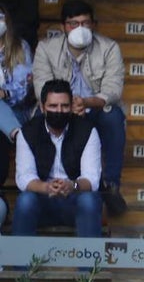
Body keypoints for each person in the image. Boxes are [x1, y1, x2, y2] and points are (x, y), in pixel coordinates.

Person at [32, 0, 128, 217]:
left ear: (93, 25)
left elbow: (113, 90)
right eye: (73, 24)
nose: (80, 28)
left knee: (114, 117)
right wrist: (66, 106)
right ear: (63, 26)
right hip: (59, 108)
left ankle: (110, 186)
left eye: (85, 23)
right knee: (39, 116)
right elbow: (41, 88)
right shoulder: (46, 48)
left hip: (94, 108)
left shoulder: (109, 48)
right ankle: (39, 185)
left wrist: (86, 103)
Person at [12, 79, 103, 237]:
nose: (59, 111)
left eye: (64, 106)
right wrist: (47, 187)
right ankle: (20, 254)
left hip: (74, 199)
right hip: (42, 200)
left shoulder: (87, 131)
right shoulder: (28, 132)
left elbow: (91, 179)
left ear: (71, 107)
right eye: (53, 106)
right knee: (25, 201)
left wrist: (72, 185)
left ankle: (89, 254)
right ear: (42, 107)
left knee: (89, 200)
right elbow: (24, 177)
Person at [0, 2, 35, 186]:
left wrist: (5, 93)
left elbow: (23, 87)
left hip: (18, 111)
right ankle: (16, 135)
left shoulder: (20, 47)